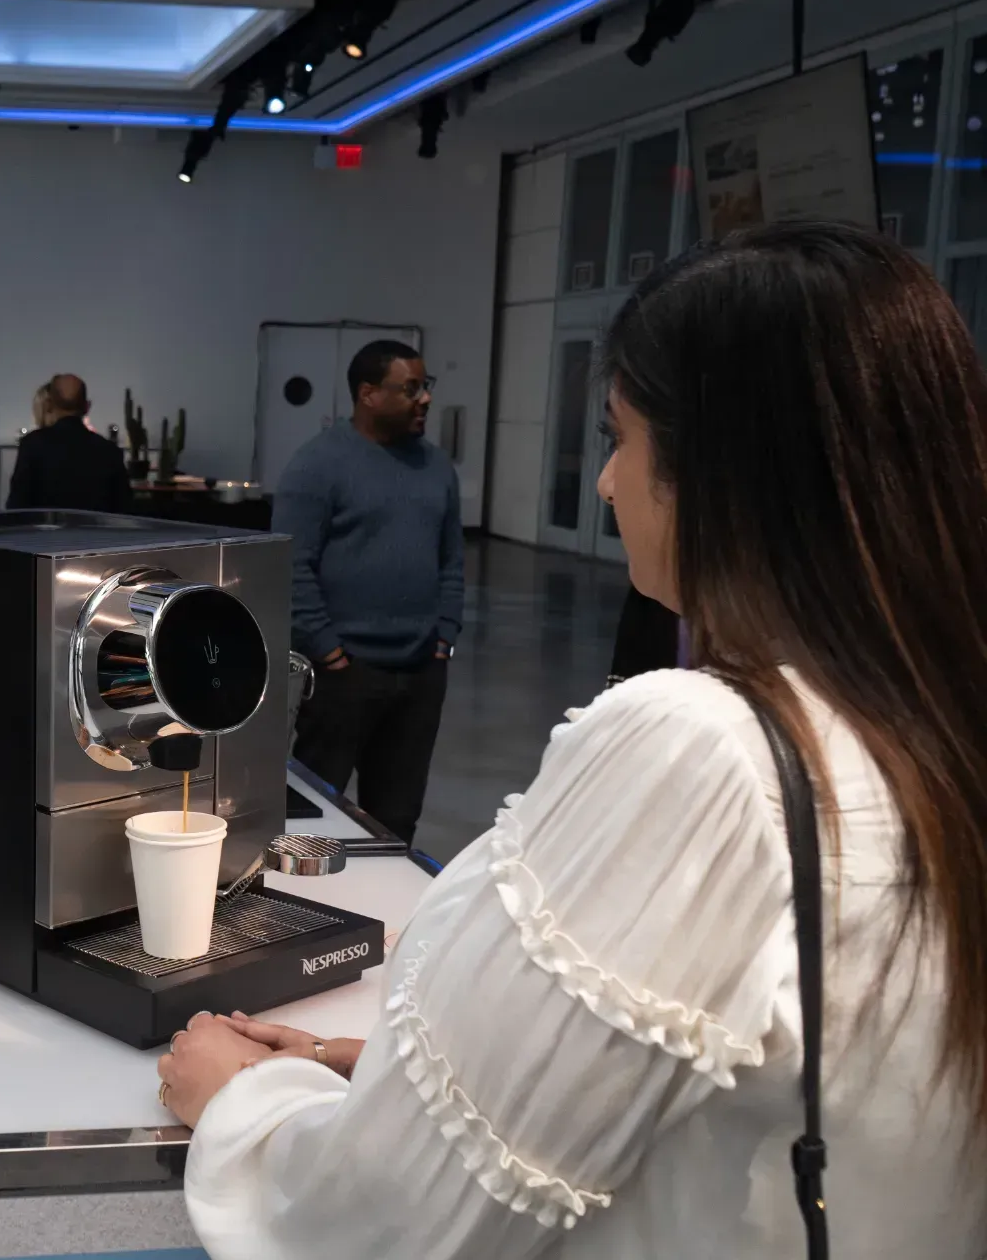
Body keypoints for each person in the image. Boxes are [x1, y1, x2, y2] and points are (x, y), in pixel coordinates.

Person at [156, 222, 987, 1258]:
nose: (605, 483)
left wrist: (246, 1102)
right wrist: (381, 1066)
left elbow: (399, 1220)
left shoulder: (703, 751)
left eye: (621, 437)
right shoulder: (929, 725)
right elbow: (733, 1086)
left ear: (727, 471)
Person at [273, 339, 463, 844]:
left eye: (426, 386)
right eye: (411, 388)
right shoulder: (317, 465)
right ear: (369, 394)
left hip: (420, 672)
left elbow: (452, 560)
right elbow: (291, 567)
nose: (425, 398)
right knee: (312, 817)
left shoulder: (436, 468)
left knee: (397, 819)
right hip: (344, 676)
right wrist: (328, 651)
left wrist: (444, 637)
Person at [5, 373, 132, 512]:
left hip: (45, 527)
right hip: (93, 527)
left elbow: (16, 507)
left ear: (49, 405)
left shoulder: (32, 445)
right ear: (87, 407)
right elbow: (123, 512)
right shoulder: (109, 452)